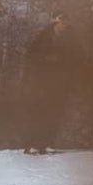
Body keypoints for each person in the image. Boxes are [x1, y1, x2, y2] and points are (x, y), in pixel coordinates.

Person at [21, 12, 73, 154]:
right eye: (62, 22)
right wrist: (45, 60)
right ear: (55, 22)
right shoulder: (42, 36)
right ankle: (31, 144)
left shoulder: (71, 38)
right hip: (41, 81)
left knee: (55, 112)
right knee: (37, 112)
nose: (65, 25)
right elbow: (30, 54)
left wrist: (65, 65)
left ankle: (48, 143)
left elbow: (78, 57)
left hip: (60, 82)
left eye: (66, 22)